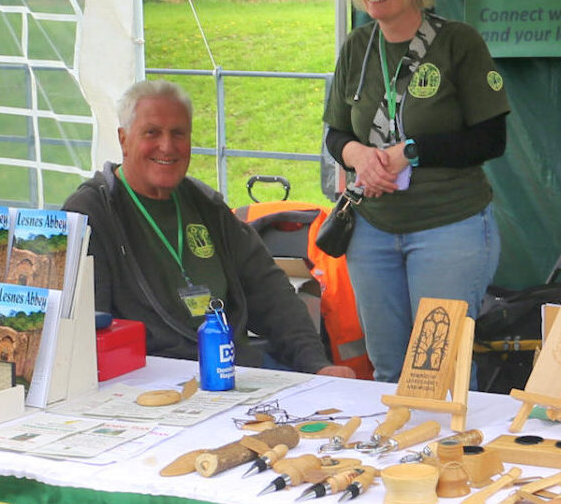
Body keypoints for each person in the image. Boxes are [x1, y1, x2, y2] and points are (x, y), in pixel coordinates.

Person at [322, 0, 510, 383]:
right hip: (373, 231)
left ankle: (448, 454)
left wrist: (411, 152)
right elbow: (336, 133)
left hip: (449, 229)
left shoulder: (457, 43)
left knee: (439, 372)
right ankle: (393, 453)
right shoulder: (357, 47)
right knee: (388, 368)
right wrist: (359, 156)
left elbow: (491, 139)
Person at [67, 81, 349, 375]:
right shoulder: (91, 213)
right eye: (152, 133)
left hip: (232, 367)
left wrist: (318, 365)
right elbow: (87, 329)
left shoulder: (206, 205)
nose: (167, 146)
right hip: (147, 377)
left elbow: (271, 293)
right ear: (124, 139)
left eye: (178, 133)